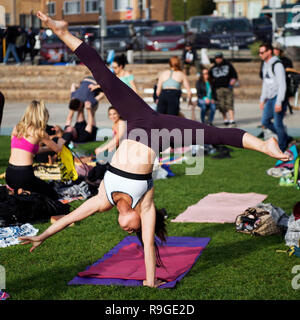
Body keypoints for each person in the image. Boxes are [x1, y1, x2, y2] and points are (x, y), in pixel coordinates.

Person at [19, 12, 290, 289]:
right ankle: (265, 146)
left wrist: (44, 235)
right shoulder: (146, 204)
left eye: (129, 230)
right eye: (134, 228)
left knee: (101, 71)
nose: (129, 229)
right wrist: (150, 281)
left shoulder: (103, 199)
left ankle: (61, 30)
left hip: (137, 119)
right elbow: (148, 246)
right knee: (214, 134)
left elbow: (70, 217)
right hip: (161, 132)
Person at [5, 100, 64, 200]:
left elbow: (27, 149)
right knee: (52, 195)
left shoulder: (17, 128)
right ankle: (25, 192)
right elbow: (58, 149)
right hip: (24, 175)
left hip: (10, 174)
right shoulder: (39, 132)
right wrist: (61, 141)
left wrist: (45, 149)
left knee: (31, 190)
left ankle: (20, 192)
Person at [259, 43, 289, 152]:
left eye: (262, 52)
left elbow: (282, 84)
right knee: (265, 121)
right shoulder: (265, 64)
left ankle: (282, 147)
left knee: (277, 123)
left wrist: (279, 102)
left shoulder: (277, 65)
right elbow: (265, 83)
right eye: (259, 52)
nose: (260, 55)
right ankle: (285, 138)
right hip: (270, 98)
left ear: (269, 52)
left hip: (278, 97)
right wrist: (262, 99)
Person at [63, 76, 104, 144]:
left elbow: (69, 118)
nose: (67, 128)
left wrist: (74, 104)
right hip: (90, 131)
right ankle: (88, 106)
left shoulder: (67, 130)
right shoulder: (82, 137)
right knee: (91, 112)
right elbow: (90, 125)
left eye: (66, 129)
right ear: (73, 134)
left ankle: (80, 106)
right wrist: (88, 109)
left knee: (80, 111)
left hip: (79, 128)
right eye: (68, 129)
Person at [209, 52, 238, 127]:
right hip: (218, 89)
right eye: (217, 58)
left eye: (219, 58)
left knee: (229, 103)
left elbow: (234, 75)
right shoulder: (213, 68)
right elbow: (210, 78)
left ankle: (232, 120)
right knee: (221, 105)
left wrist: (233, 80)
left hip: (228, 88)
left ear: (222, 58)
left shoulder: (228, 65)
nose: (218, 59)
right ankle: (225, 119)